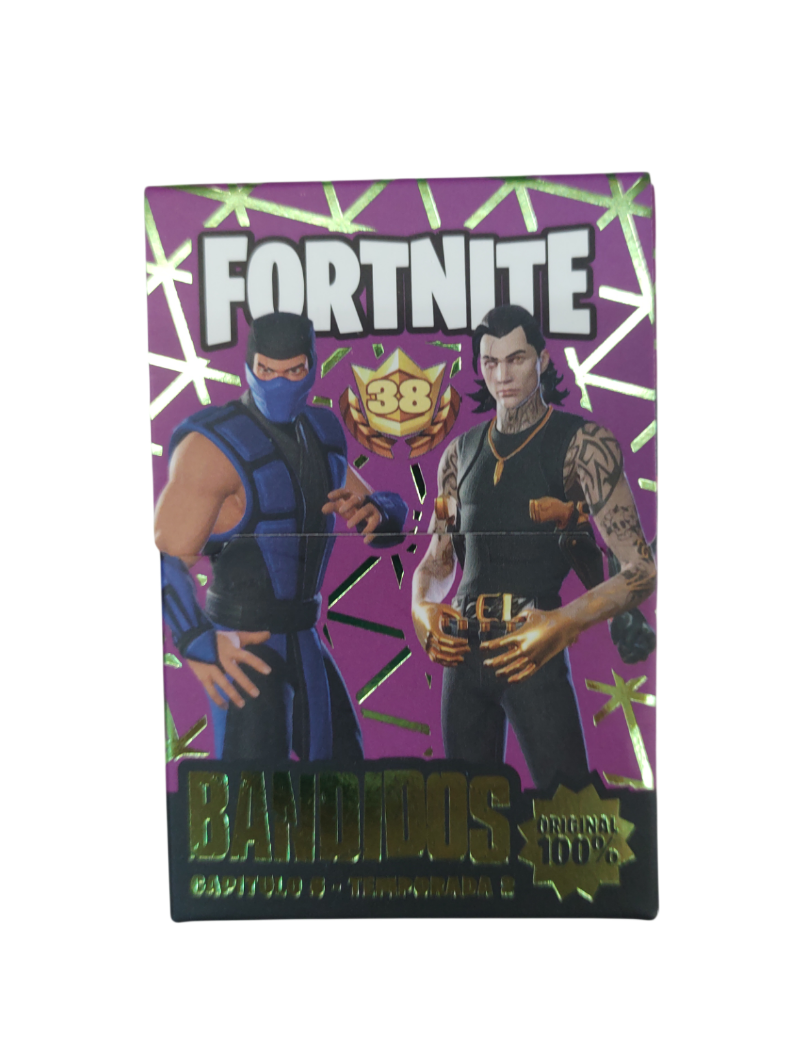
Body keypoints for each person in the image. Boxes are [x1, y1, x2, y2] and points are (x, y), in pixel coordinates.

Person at [411, 304, 656, 789]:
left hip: (534, 644)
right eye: (490, 362)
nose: (502, 375)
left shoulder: (583, 444)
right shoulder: (458, 455)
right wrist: (421, 607)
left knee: (572, 811)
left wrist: (563, 623)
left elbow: (641, 568)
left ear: (541, 360)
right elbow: (438, 559)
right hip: (462, 653)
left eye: (516, 359)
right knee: (462, 815)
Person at [156, 311, 407, 765]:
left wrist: (382, 512)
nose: (278, 383)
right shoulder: (212, 446)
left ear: (311, 367)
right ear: (249, 366)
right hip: (245, 640)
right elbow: (162, 556)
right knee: (254, 793)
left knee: (346, 779)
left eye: (293, 371)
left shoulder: (322, 433)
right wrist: (195, 639)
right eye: (266, 370)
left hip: (305, 635)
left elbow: (375, 508)